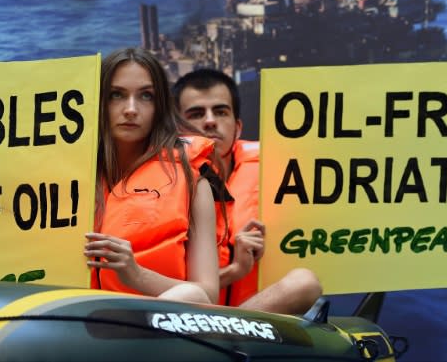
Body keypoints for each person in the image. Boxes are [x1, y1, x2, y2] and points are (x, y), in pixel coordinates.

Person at [173, 68, 322, 314]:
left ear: (238, 127)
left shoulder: (284, 171)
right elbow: (156, 290)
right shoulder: (157, 187)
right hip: (187, 320)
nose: (210, 121)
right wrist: (235, 271)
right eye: (196, 113)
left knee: (304, 283)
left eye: (221, 112)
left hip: (257, 319)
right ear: (178, 129)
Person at [84, 48, 220, 304]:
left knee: (190, 293)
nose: (131, 109)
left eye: (146, 96)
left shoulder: (193, 181)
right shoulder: (65, 177)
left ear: (160, 107)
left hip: (156, 329)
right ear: (98, 101)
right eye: (116, 95)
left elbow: (207, 295)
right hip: (72, 327)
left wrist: (136, 275)